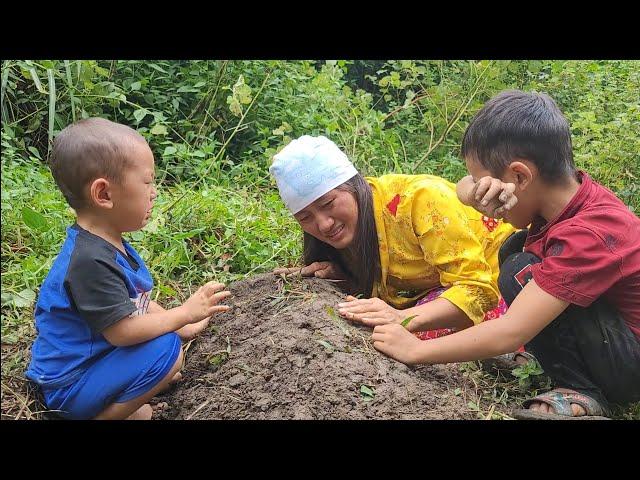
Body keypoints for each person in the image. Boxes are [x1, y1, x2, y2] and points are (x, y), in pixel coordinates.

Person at [372, 90, 640, 419]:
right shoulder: (564, 197)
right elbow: (460, 186)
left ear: (518, 176)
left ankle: (582, 391)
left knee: (522, 268)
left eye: (484, 182)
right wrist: (476, 190)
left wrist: (416, 350)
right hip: (608, 339)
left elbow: (512, 329)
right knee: (514, 249)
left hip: (629, 363)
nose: (489, 205)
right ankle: (545, 362)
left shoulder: (588, 234)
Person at [25, 117, 231, 420]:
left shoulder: (107, 243)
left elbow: (135, 301)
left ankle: (121, 393)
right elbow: (123, 332)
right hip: (68, 386)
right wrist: (183, 314)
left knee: (165, 354)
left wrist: (184, 325)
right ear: (104, 194)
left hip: (93, 363)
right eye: (147, 182)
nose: (154, 192)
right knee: (166, 350)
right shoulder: (88, 262)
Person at [269, 134, 516, 342]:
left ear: (353, 185)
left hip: (506, 283)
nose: (323, 224)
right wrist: (342, 278)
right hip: (438, 291)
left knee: (392, 336)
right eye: (305, 218)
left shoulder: (419, 201)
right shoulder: (347, 232)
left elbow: (478, 291)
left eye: (328, 203)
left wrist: (400, 318)